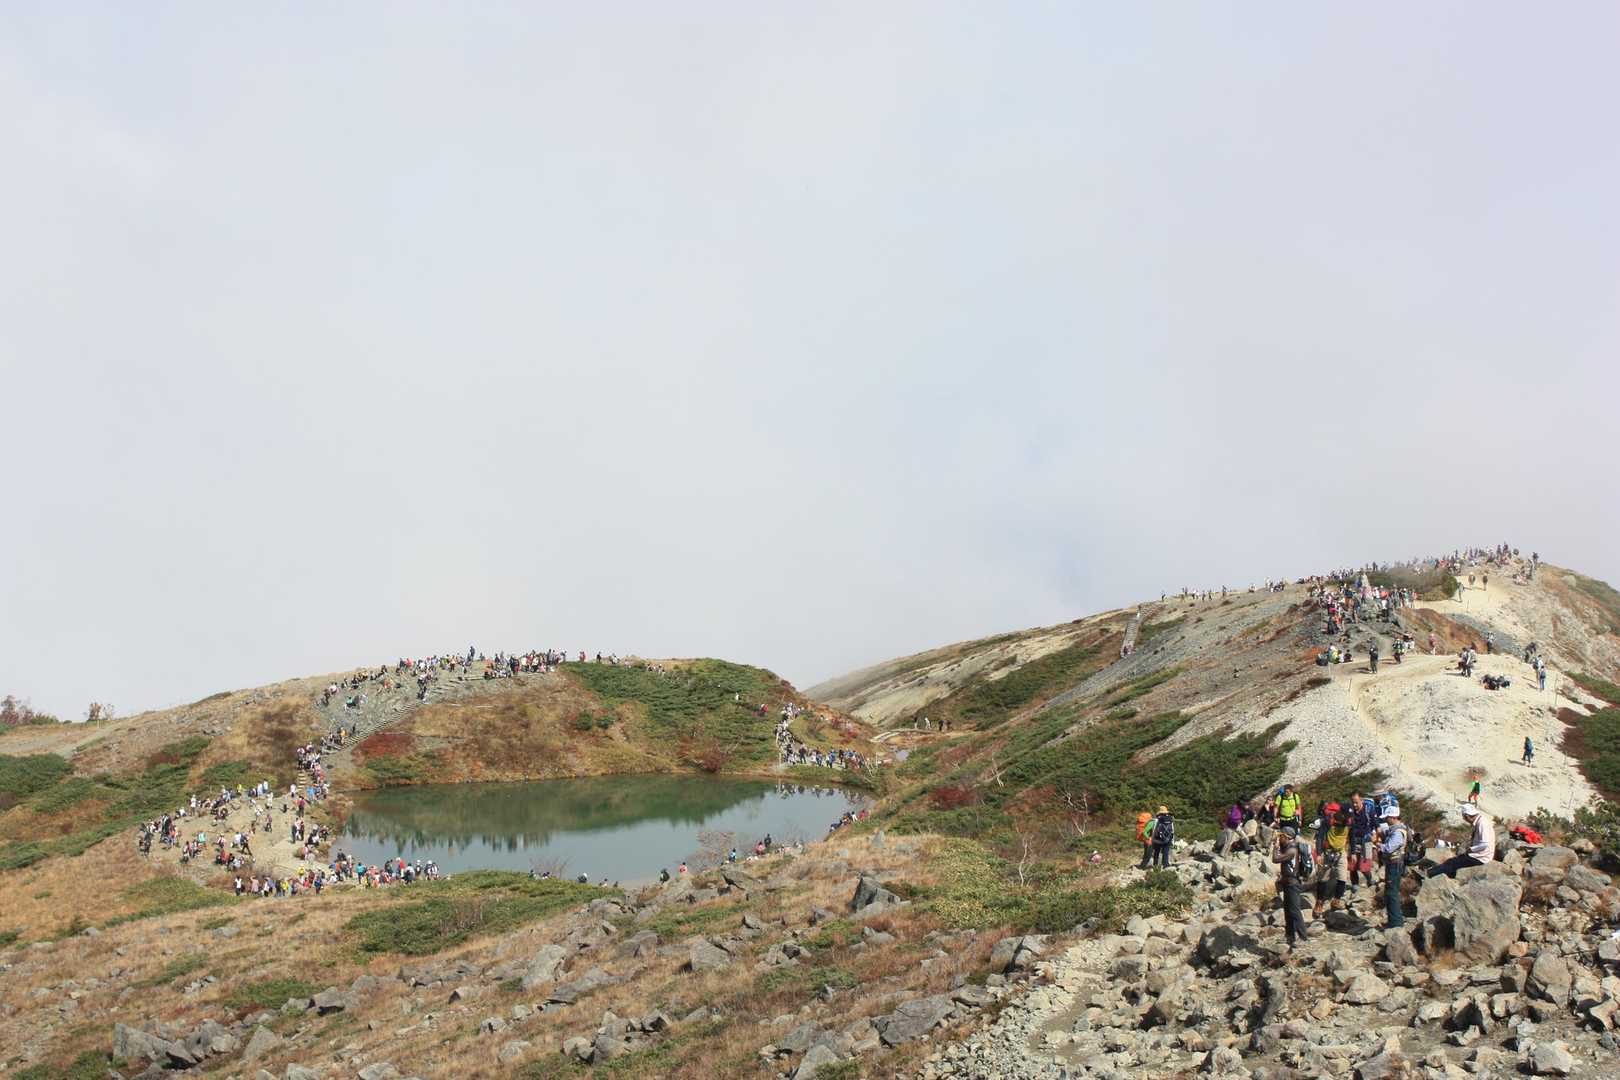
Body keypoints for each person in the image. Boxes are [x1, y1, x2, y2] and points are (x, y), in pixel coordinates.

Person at [1429, 804, 1495, 878]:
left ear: (1467, 816)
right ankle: (1443, 876)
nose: (1465, 819)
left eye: (1464, 817)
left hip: (1481, 857)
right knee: (1454, 861)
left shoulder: (1482, 824)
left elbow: (1485, 844)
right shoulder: (1481, 820)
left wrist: (1471, 849)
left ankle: (1429, 874)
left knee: (1452, 863)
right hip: (1480, 854)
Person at [1271, 825, 1309, 952]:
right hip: (1287, 882)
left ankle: (1303, 937)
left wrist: (1275, 847)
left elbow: (1275, 859)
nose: (1279, 838)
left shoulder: (1292, 850)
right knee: (1287, 910)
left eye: (1280, 836)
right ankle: (1289, 935)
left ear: (1286, 837)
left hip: (1293, 884)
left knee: (1294, 910)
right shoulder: (1287, 846)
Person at [1313, 804, 1350, 916]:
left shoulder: (1349, 823)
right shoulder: (1327, 822)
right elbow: (1320, 838)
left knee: (1342, 878)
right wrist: (1319, 854)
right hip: (1328, 852)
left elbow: (1352, 836)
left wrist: (1352, 852)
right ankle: (1319, 902)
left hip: (1341, 852)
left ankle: (1336, 900)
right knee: (1323, 878)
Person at [1377, 807, 1408, 929]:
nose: (1386, 820)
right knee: (1391, 892)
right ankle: (1394, 920)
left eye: (1387, 817)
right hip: (1395, 863)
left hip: (1395, 864)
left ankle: (1395, 923)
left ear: (1393, 817)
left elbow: (1390, 848)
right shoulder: (1398, 829)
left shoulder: (1397, 832)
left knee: (1391, 893)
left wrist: (1379, 845)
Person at [1347, 792, 1378, 894]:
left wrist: (1375, 834)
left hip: (1366, 840)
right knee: (1352, 865)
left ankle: (1370, 879)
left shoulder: (1368, 810)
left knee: (1364, 866)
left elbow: (1375, 823)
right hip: (1353, 840)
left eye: (1356, 802)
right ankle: (1355, 884)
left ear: (1361, 800)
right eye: (1353, 802)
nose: (1354, 805)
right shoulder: (1350, 812)